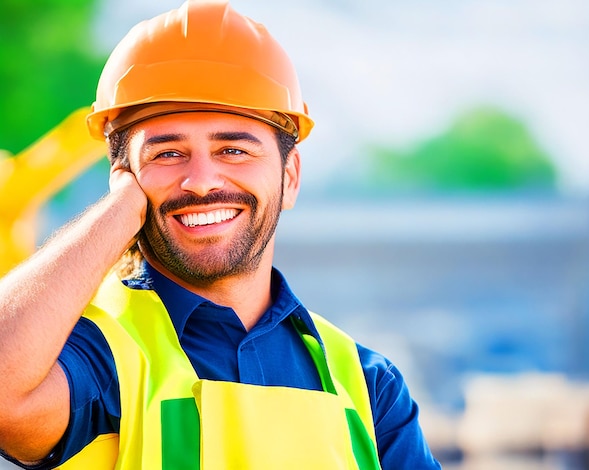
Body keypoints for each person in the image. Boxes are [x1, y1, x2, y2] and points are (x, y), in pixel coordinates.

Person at [0, 1, 442, 468]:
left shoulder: (368, 387)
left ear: (289, 176)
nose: (202, 180)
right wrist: (122, 210)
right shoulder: (95, 354)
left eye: (232, 149)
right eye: (168, 154)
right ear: (122, 181)